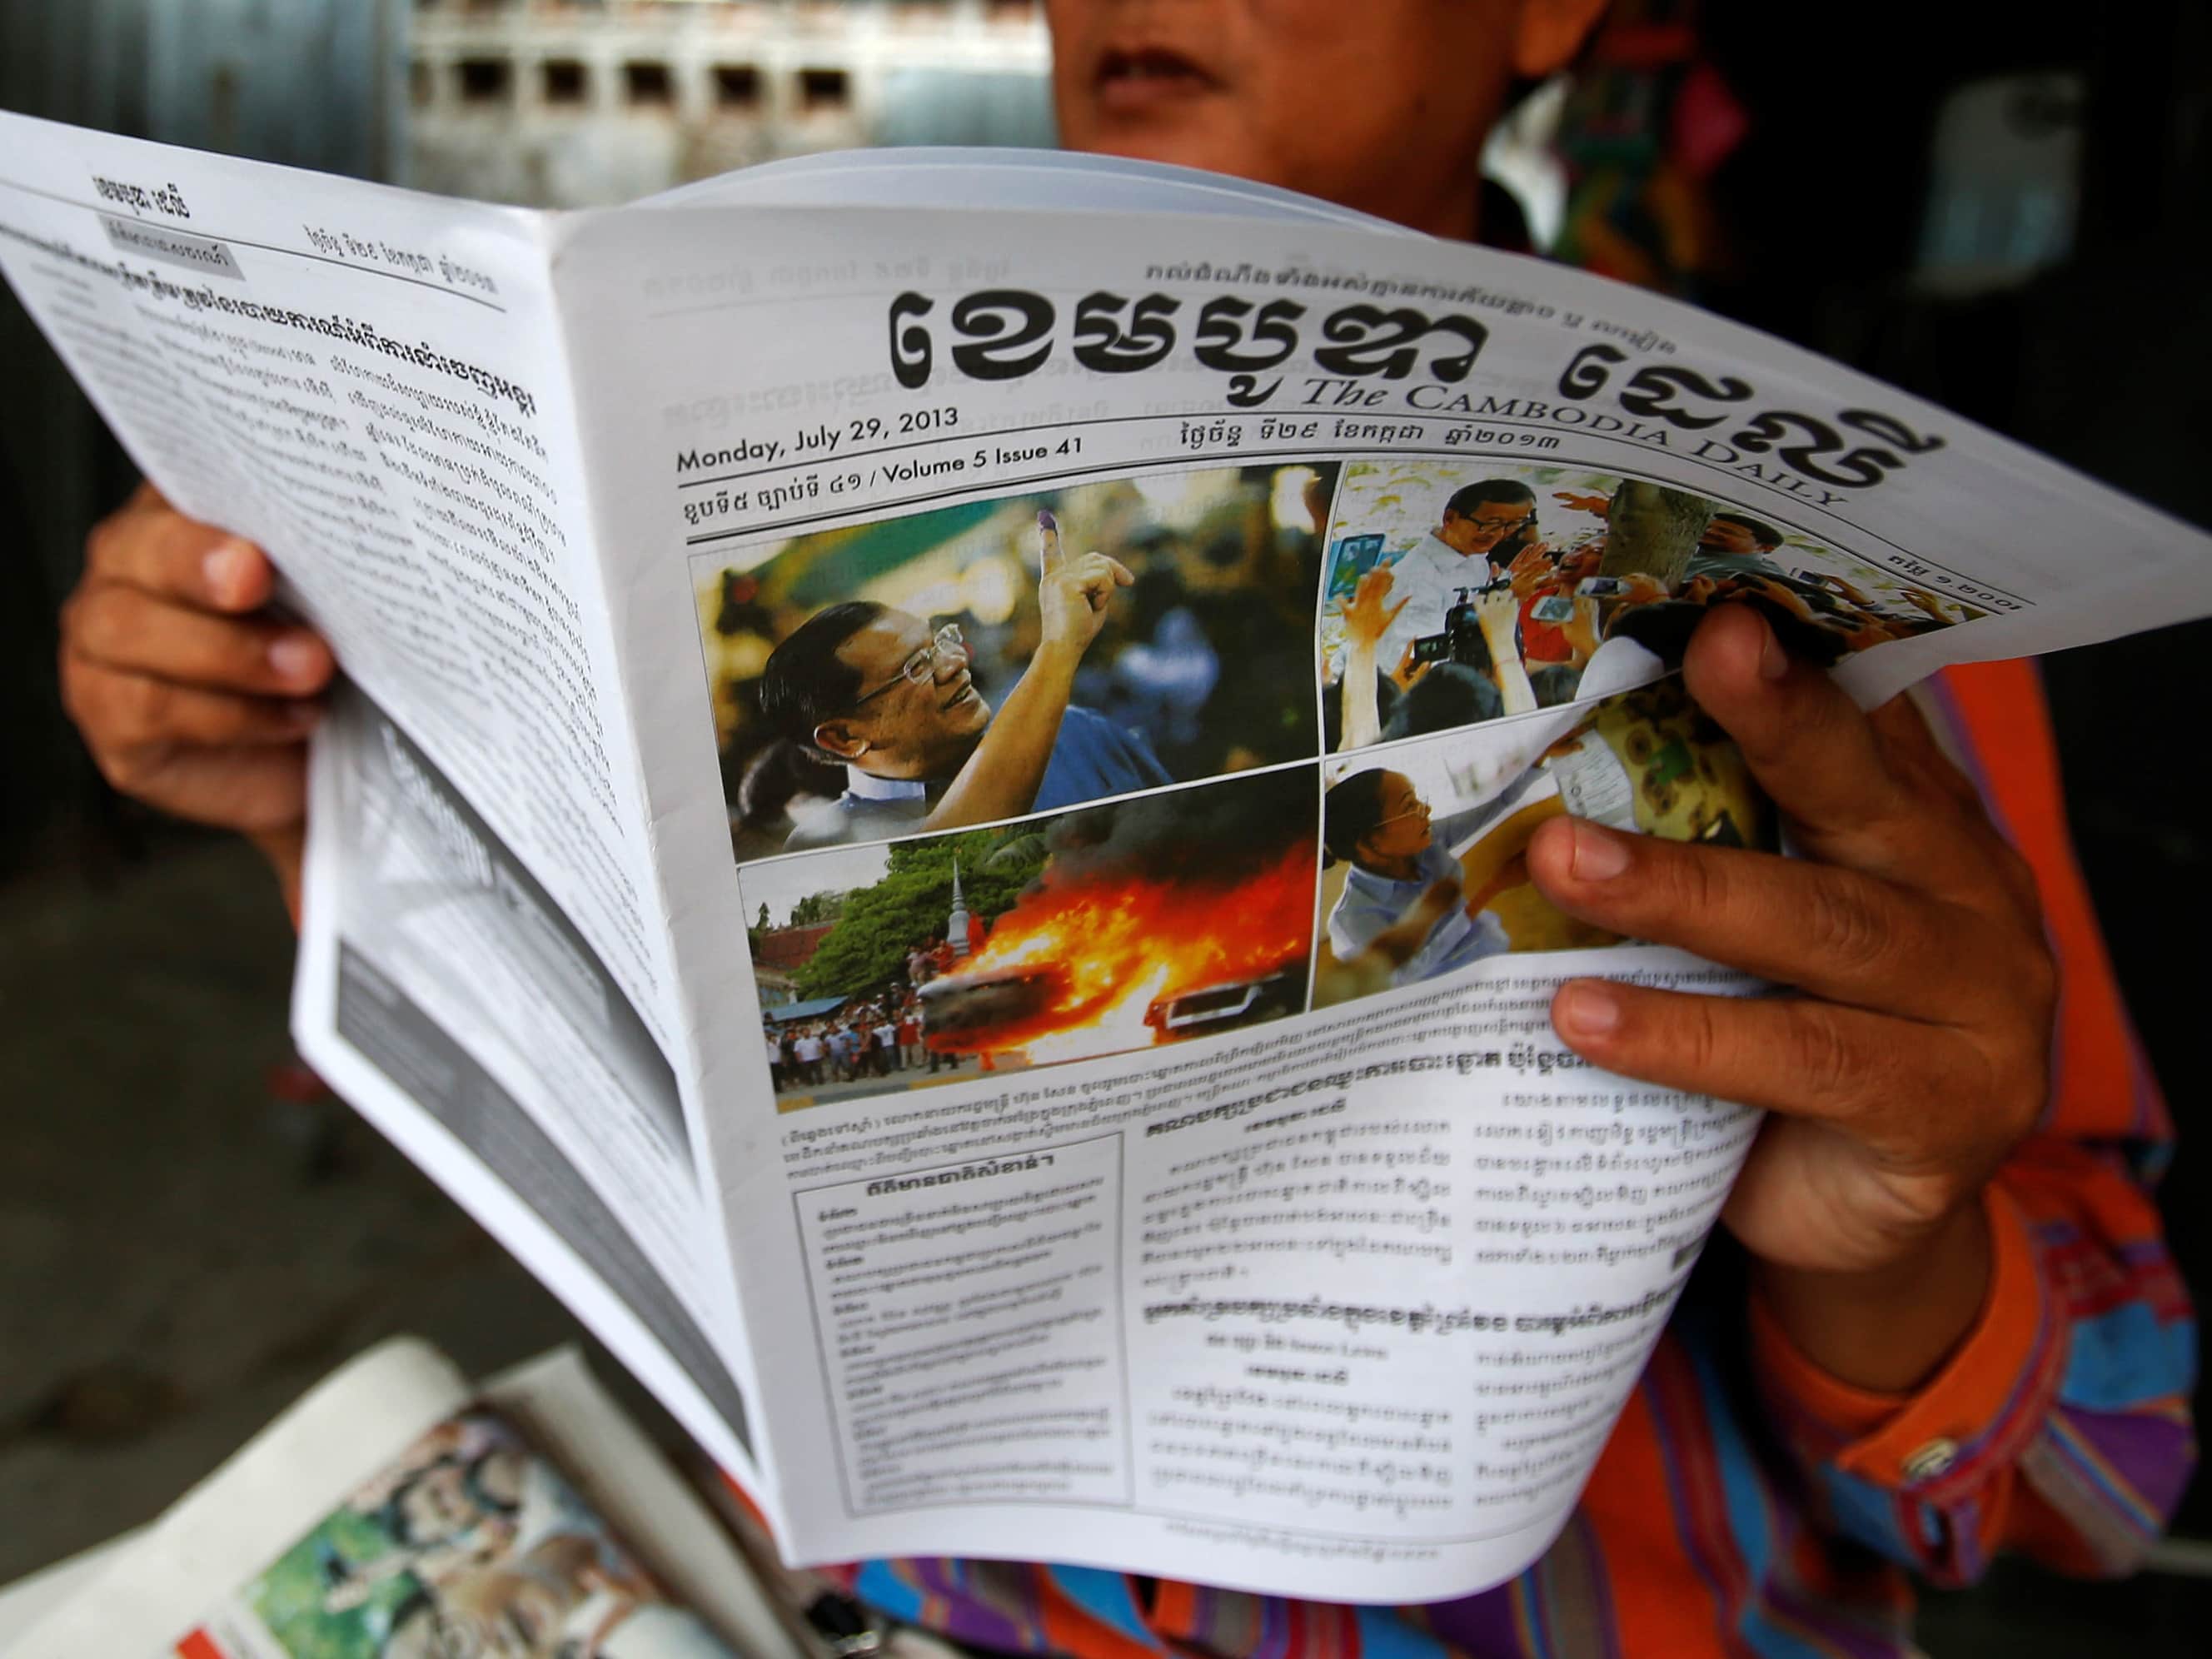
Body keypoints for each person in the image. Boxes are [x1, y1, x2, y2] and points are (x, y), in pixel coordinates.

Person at [57, 2, 2190, 1654]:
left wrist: (1907, 1233)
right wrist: (326, 782)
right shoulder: (824, 522)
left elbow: (2101, 1483)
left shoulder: (1858, 612)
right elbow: (701, 1173)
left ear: (1548, 13)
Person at [757, 540, 1167, 852]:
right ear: (844, 738)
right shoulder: (830, 844)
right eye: (917, 667)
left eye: (941, 642)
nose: (953, 664)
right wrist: (1059, 645)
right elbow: (950, 852)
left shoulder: (1075, 733)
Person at [1321, 766, 1538, 986]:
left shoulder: (1424, 841)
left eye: (1418, 800)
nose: (1426, 809)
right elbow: (1407, 974)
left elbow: (1497, 803)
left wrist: (1537, 763)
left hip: (1498, 953)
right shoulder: (1352, 920)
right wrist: (1490, 889)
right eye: (1409, 807)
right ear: (1370, 843)